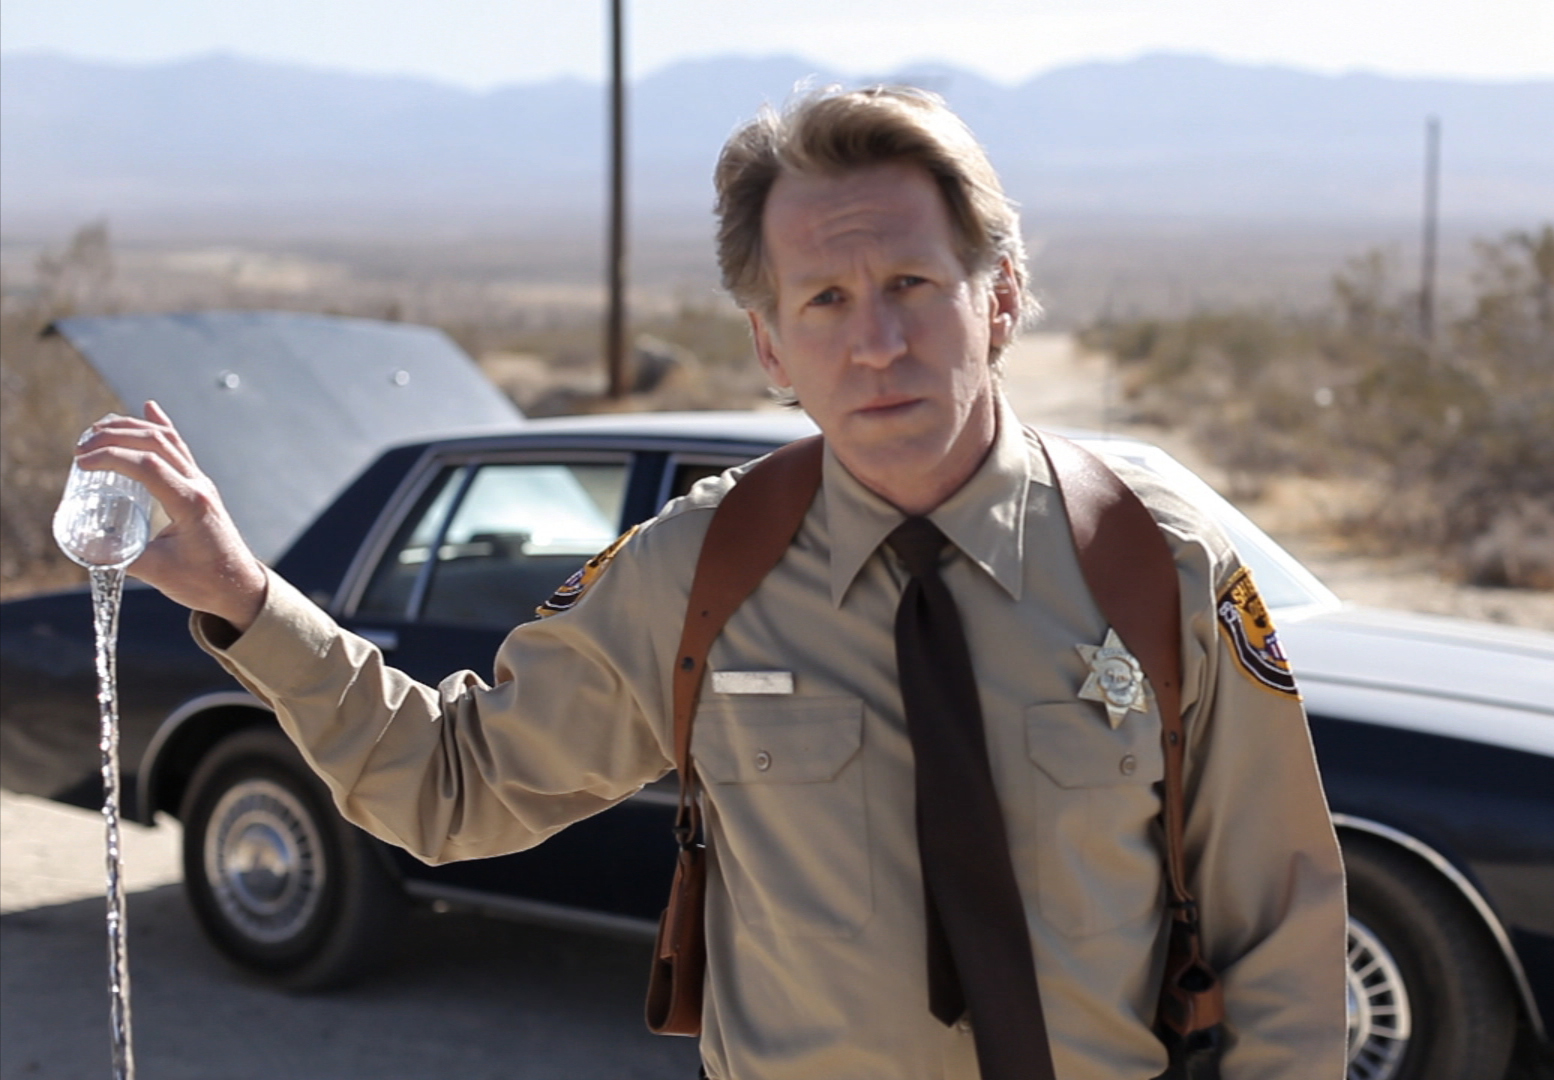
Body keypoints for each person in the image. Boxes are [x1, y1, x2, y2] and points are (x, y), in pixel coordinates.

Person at [74, 86, 1346, 1079]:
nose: (876, 341)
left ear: (1000, 297)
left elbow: (1281, 925)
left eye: (912, 284)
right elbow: (450, 788)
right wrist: (245, 596)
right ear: (770, 344)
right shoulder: (701, 572)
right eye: (825, 299)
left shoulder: (1157, 559)